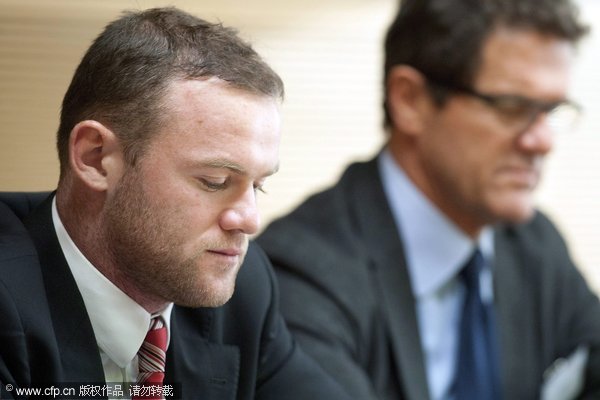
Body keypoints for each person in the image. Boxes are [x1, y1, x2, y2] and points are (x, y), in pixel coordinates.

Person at [0, 7, 352, 400]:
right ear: (96, 158)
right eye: (215, 181)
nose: (249, 220)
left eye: (259, 186)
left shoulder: (244, 290)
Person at [257, 0, 600, 399]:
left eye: (551, 110)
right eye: (512, 107)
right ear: (410, 101)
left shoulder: (533, 243)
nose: (542, 141)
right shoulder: (299, 274)